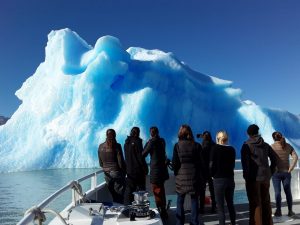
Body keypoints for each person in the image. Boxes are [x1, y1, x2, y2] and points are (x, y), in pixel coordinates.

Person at [241, 124, 277, 225]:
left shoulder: (246, 145)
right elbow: (274, 160)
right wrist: (270, 172)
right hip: (265, 177)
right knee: (266, 202)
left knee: (255, 203)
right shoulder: (265, 145)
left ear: (248, 133)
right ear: (257, 132)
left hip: (253, 179)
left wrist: (247, 177)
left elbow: (245, 164)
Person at [172, 124, 205, 225]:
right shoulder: (197, 146)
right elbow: (201, 163)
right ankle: (194, 222)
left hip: (181, 178)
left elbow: (175, 163)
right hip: (194, 177)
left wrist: (177, 173)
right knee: (194, 200)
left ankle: (179, 222)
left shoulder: (177, 146)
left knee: (180, 200)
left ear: (180, 133)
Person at [210, 130, 236, 225]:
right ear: (227, 139)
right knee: (230, 204)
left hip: (218, 180)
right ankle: (233, 223)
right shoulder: (232, 149)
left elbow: (211, 165)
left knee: (220, 208)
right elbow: (232, 165)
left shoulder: (215, 148)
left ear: (218, 138)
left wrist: (212, 175)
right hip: (229, 179)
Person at [142, 126, 169, 219]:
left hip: (156, 171)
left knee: (157, 190)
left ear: (151, 133)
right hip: (163, 170)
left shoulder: (152, 142)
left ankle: (162, 211)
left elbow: (143, 154)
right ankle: (164, 209)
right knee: (161, 189)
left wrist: (147, 142)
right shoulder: (162, 141)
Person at [271, 131, 298, 217]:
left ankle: (278, 211)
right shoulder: (288, 146)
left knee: (277, 192)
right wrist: (292, 167)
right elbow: (295, 156)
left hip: (276, 173)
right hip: (287, 172)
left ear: (273, 138)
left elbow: (264, 157)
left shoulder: (271, 147)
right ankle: (290, 211)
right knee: (288, 192)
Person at [98, 129, 126, 204]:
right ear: (115, 136)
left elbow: (101, 163)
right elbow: (121, 162)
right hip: (116, 172)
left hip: (106, 174)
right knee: (120, 194)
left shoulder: (100, 146)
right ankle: (121, 210)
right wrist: (124, 172)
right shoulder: (117, 146)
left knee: (113, 193)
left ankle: (115, 208)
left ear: (106, 135)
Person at [123, 127, 148, 205]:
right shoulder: (138, 142)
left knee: (129, 190)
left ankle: (127, 207)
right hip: (138, 171)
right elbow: (140, 157)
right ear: (137, 133)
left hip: (129, 170)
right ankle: (141, 206)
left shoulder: (126, 143)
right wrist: (145, 168)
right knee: (141, 190)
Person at [198, 131, 217, 214]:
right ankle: (213, 207)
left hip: (203, 171)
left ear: (204, 137)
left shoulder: (203, 146)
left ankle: (201, 208)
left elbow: (200, 158)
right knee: (212, 190)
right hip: (212, 171)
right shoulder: (213, 145)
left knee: (202, 190)